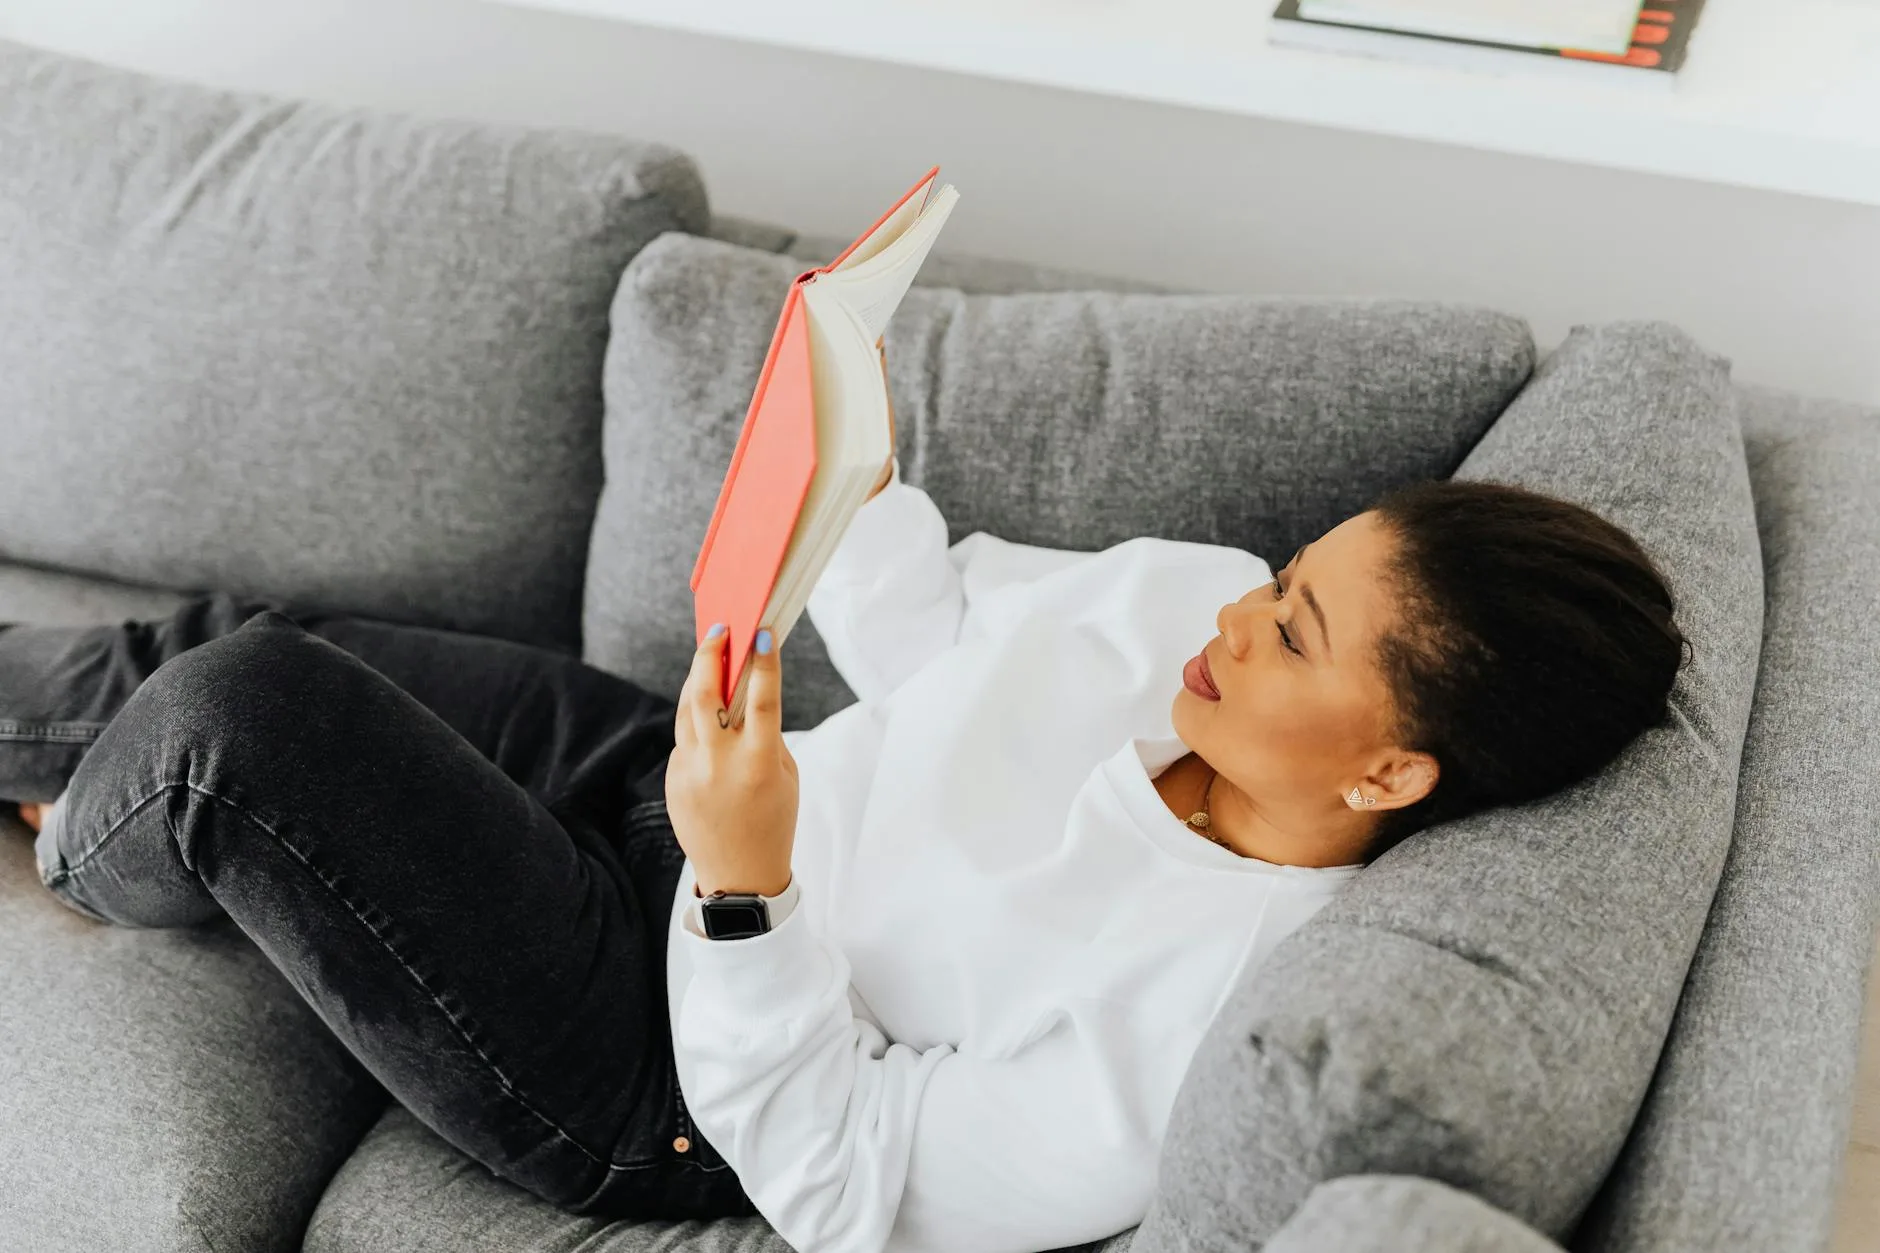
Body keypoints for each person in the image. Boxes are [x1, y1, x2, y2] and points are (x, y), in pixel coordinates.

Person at [0, 361, 1691, 1253]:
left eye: (1298, 630)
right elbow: (941, 622)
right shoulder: (1193, 604)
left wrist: (746, 892)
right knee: (265, 640)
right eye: (1292, 576)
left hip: (666, 1069)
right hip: (697, 811)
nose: (1239, 616)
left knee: (242, 723)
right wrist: (847, 476)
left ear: (1394, 771)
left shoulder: (1205, 1012)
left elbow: (848, 1186)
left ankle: (89, 832)